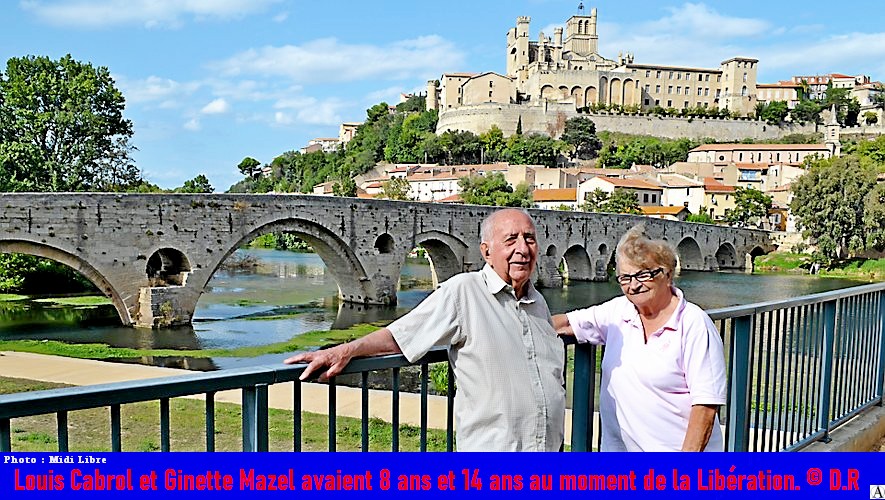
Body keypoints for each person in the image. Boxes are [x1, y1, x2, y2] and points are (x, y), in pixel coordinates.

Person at [285, 208, 566, 451]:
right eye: (511, 240)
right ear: (486, 251)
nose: (523, 249)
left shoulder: (537, 303)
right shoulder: (464, 292)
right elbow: (403, 334)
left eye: (530, 238)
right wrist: (345, 350)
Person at [552, 224, 726, 452]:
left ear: (668, 274)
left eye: (643, 275)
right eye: (625, 278)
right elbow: (565, 324)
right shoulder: (618, 311)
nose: (633, 285)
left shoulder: (694, 324)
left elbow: (705, 407)